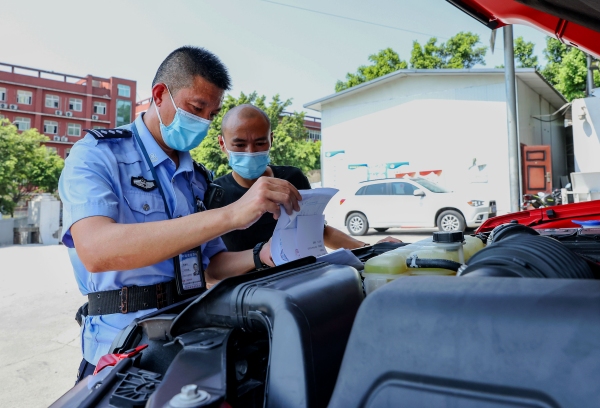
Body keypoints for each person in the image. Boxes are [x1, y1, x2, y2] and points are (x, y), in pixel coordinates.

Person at [59, 47, 301, 382]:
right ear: (160, 95)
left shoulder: (196, 178)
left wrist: (263, 254)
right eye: (196, 108)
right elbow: (97, 250)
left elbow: (212, 264)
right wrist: (231, 214)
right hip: (120, 351)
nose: (202, 122)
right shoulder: (97, 155)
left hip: (189, 339)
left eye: (211, 113)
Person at [213, 104, 400, 254]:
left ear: (271, 140)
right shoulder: (214, 194)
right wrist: (259, 257)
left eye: (260, 143)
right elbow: (213, 266)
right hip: (243, 292)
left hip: (298, 280)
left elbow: (318, 231)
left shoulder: (291, 179)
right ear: (222, 144)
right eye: (239, 145)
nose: (251, 152)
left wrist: (369, 248)